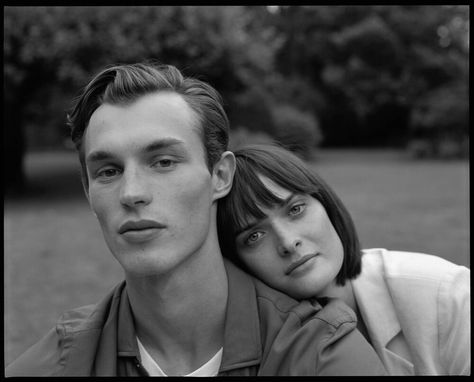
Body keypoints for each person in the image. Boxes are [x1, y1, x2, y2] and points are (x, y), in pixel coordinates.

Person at [5, 62, 387, 376]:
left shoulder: (320, 356)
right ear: (89, 192)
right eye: (108, 171)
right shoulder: (58, 365)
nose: (132, 192)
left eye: (164, 162)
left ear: (220, 176)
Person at [217, 143, 470, 376]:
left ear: (327, 204)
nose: (287, 242)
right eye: (254, 236)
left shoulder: (445, 294)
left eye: (295, 210)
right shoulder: (239, 351)